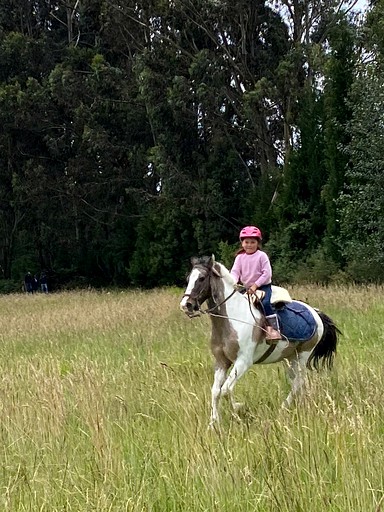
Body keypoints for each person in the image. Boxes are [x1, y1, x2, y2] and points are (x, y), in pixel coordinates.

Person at [230, 225, 281, 342]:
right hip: (246, 288)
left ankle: (273, 329)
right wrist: (233, 282)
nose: (249, 245)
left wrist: (255, 285)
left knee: (265, 303)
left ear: (258, 243)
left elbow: (267, 274)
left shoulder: (261, 256)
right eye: (246, 242)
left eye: (252, 242)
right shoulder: (239, 257)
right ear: (242, 243)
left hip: (262, 287)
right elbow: (235, 272)